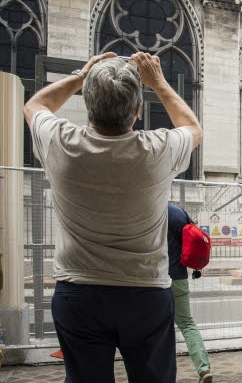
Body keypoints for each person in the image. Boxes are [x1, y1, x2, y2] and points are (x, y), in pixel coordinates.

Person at [24, 52, 202, 382]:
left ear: (88, 105)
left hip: (79, 294)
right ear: (137, 110)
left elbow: (34, 106)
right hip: (145, 296)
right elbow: (192, 127)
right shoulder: (157, 149)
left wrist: (81, 75)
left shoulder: (62, 142)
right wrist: (159, 82)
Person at [168, 204, 214, 382]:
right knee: (187, 324)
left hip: (153, 279)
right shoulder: (176, 211)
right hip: (178, 276)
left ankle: (163, 373)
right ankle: (204, 369)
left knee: (157, 328)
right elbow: (194, 237)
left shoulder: (147, 208)